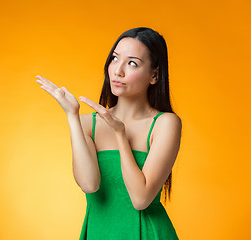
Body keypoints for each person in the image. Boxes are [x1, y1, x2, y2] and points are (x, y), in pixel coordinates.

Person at [35, 27, 181, 239]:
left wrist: (120, 135)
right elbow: (89, 184)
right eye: (115, 58)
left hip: (147, 233)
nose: (118, 70)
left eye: (132, 63)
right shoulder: (87, 124)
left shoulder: (165, 123)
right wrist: (72, 116)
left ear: (154, 75)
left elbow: (140, 199)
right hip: (99, 232)